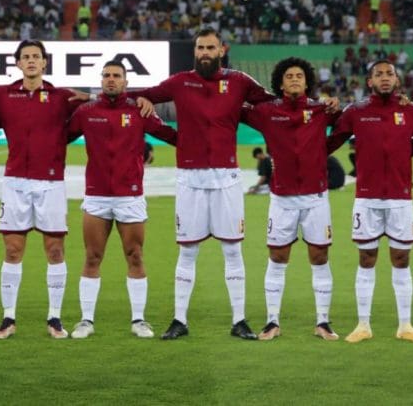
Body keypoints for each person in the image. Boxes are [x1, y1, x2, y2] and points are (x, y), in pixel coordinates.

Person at [130, 28, 296, 340]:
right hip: (190, 178)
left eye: (210, 47)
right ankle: (179, 320)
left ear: (222, 49)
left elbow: (274, 103)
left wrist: (314, 105)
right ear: (196, 51)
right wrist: (134, 97)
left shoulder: (240, 82)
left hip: (226, 178)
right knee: (187, 251)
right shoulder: (180, 82)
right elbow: (146, 94)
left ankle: (239, 320)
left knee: (233, 249)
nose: (204, 52)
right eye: (200, 47)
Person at [0, 40, 84, 339]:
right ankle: (8, 318)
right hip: (15, 181)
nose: (31, 61)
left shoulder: (62, 97)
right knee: (12, 250)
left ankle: (54, 318)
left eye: (36, 57)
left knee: (55, 249)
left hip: (51, 182)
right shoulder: (3, 94)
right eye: (25, 57)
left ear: (45, 62)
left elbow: (97, 105)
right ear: (18, 63)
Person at [65, 61, 177, 339]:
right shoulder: (87, 112)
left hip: (130, 197)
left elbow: (170, 135)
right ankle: (86, 321)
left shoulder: (139, 111)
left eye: (116, 76)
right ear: (101, 80)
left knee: (135, 256)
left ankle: (139, 320)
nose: (111, 80)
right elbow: (58, 139)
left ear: (126, 82)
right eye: (106, 76)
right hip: (97, 195)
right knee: (92, 257)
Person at [327, 60, 413, 344]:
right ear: (370, 81)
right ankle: (363, 325)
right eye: (379, 74)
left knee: (401, 259)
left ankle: (405, 325)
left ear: (397, 80)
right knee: (366, 258)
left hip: (401, 199)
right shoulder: (357, 111)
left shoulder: (411, 111)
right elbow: (332, 140)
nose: (385, 78)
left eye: (390, 74)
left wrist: (402, 155)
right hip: (366, 197)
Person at [241, 57, 340, 341]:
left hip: (316, 197)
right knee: (277, 257)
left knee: (320, 256)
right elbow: (232, 110)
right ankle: (272, 321)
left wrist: (323, 149)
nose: (294, 79)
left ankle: (323, 321)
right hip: (282, 198)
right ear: (280, 83)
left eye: (299, 75)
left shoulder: (322, 110)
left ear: (307, 81)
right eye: (289, 76)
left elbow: (349, 121)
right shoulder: (266, 112)